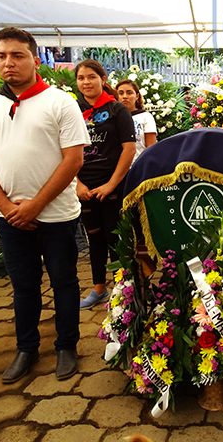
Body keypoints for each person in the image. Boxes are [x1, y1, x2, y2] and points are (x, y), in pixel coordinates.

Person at [0, 27, 90, 383]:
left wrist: (34, 206)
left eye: (17, 56)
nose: (8, 63)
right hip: (10, 218)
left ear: (35, 60)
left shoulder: (60, 102)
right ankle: (26, 348)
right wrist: (8, 207)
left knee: (64, 281)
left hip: (56, 215)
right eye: (1, 56)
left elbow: (73, 159)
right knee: (23, 285)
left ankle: (66, 346)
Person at [76, 60, 136, 309]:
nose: (86, 82)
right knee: (95, 239)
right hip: (85, 189)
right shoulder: (72, 110)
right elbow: (63, 150)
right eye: (81, 78)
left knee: (116, 238)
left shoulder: (117, 110)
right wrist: (77, 184)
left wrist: (111, 184)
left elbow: (129, 149)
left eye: (91, 77)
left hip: (113, 186)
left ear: (102, 79)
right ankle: (99, 288)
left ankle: (123, 289)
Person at [116, 79, 157, 163]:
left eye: (129, 93)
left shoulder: (146, 117)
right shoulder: (113, 117)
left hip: (139, 165)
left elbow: (151, 147)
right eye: (121, 93)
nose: (125, 96)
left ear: (137, 96)